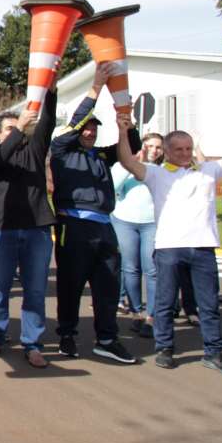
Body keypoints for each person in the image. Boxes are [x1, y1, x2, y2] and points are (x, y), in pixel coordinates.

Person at [115, 100, 222, 377]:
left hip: (202, 248)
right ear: (167, 151)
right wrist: (123, 132)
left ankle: (214, 352)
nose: (185, 153)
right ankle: (164, 348)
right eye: (179, 149)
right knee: (164, 302)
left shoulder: (209, 171)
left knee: (208, 304)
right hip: (168, 248)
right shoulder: (156, 173)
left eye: (188, 148)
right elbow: (127, 160)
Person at [49, 70, 142, 364]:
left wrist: (127, 123)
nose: (90, 132)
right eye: (86, 129)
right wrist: (97, 86)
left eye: (94, 129)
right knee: (71, 284)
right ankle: (66, 335)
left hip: (104, 227)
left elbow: (133, 147)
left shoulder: (101, 155)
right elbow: (76, 122)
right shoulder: (62, 149)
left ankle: (107, 339)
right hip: (73, 226)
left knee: (108, 286)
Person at [0, 89, 56, 368]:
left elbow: (47, 122)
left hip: (37, 229)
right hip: (1, 230)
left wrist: (51, 87)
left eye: (20, 127)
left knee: (35, 289)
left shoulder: (35, 151)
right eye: (9, 129)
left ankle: (32, 343)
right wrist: (19, 128)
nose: (18, 131)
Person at [114, 133, 164, 336]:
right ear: (141, 146)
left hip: (152, 224)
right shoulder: (124, 166)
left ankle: (152, 316)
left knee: (152, 270)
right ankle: (137, 312)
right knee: (130, 268)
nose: (154, 150)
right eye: (149, 145)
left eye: (158, 147)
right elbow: (113, 187)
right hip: (125, 222)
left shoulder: (163, 170)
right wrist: (132, 165)